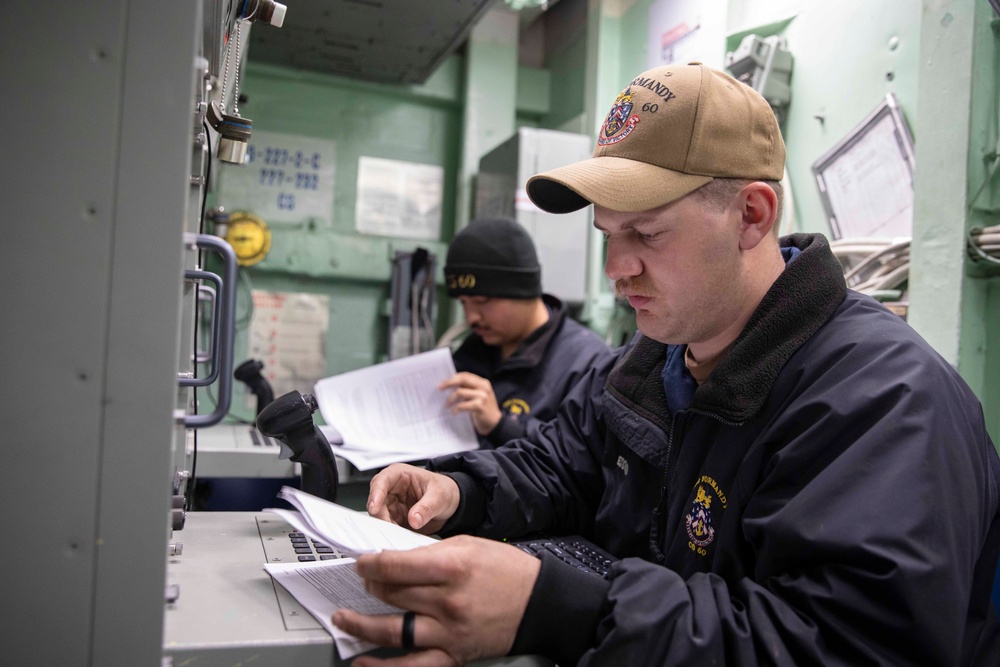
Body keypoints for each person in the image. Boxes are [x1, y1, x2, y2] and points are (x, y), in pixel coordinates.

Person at [332, 62, 1000, 666]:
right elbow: (562, 462)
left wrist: (561, 612)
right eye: (608, 235)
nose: (617, 270)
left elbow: (841, 644)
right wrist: (464, 491)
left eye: (647, 233)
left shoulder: (884, 403)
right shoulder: (654, 359)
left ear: (751, 215)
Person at [438, 216, 613, 448]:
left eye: (482, 301)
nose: (472, 317)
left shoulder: (587, 364)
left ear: (523, 291)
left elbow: (579, 464)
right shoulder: (473, 351)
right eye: (464, 303)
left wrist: (500, 425)